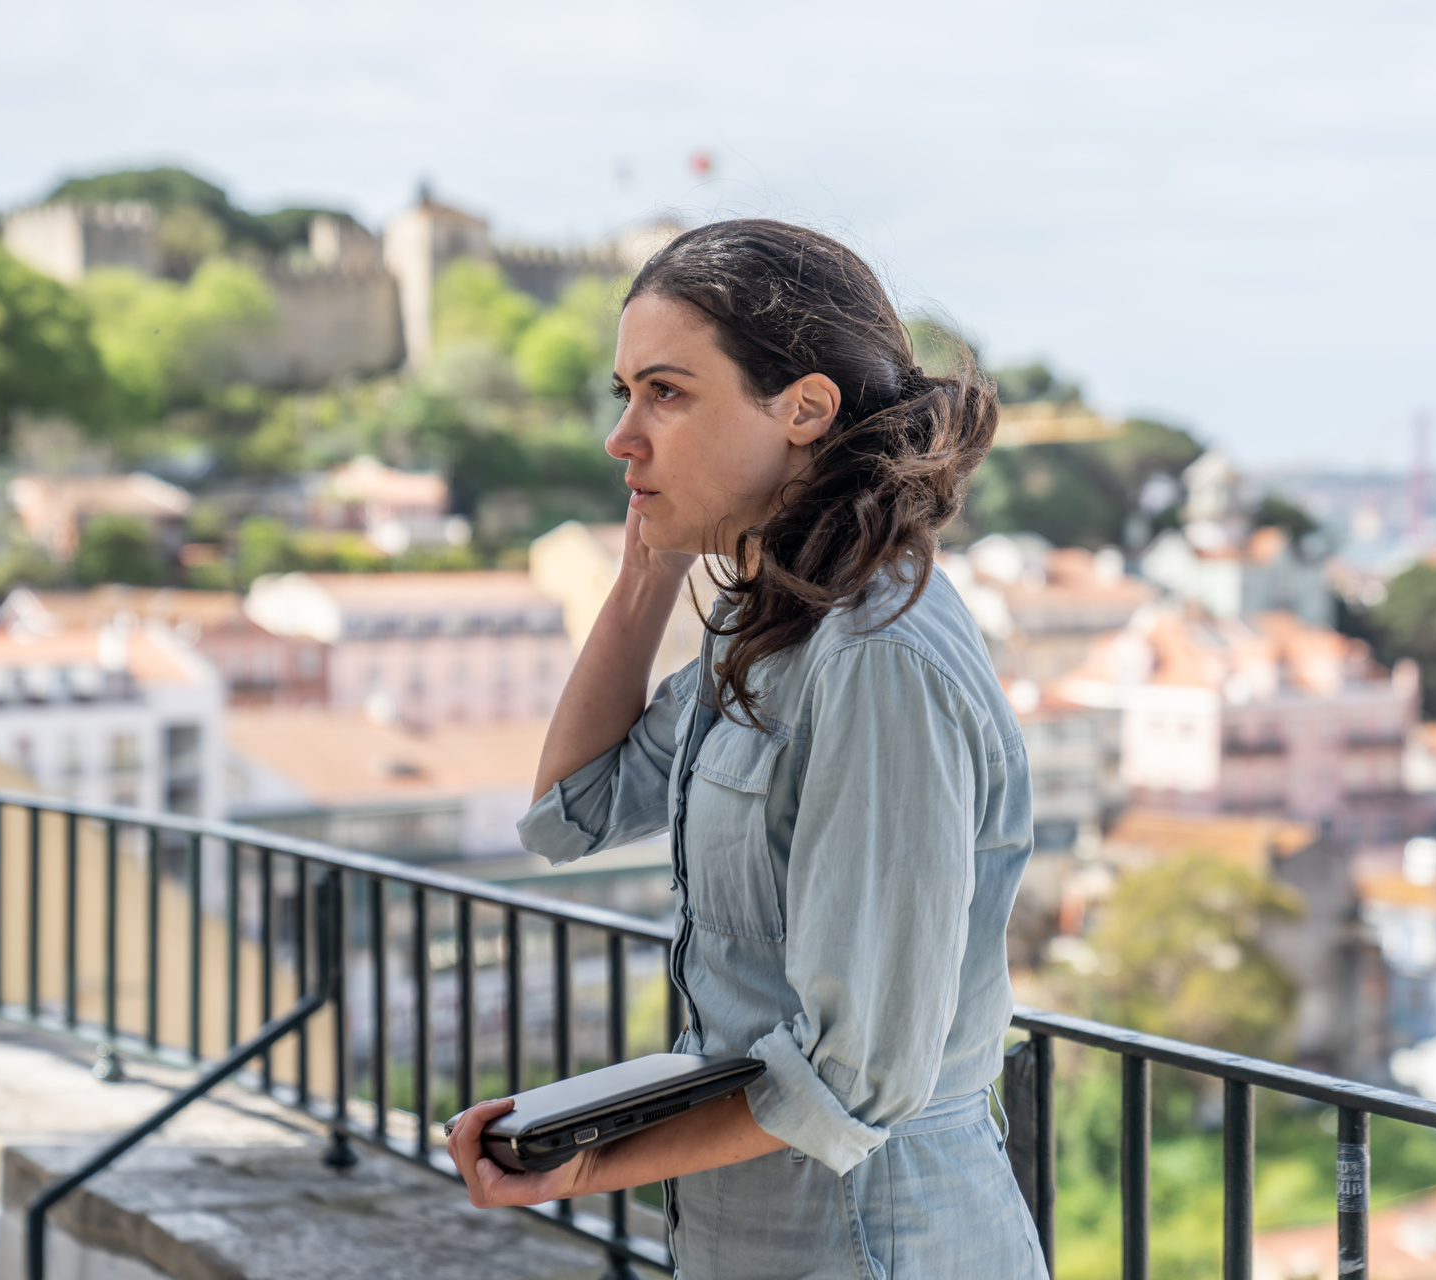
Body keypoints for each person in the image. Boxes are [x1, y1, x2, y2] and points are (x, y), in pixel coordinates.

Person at [445, 219, 1048, 1279]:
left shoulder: (875, 656)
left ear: (804, 410)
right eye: (624, 393)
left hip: (876, 1241)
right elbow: (571, 810)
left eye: (666, 393)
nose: (621, 437)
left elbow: (852, 1082)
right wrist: (647, 572)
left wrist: (586, 1163)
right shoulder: (772, 624)